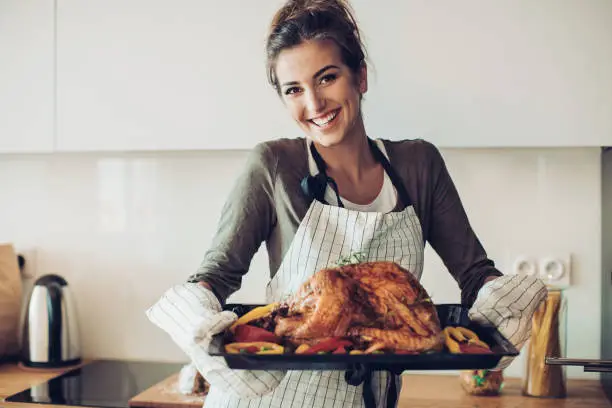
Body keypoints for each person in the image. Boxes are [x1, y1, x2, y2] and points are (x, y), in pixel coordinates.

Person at [146, 1, 547, 407]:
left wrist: (511, 300)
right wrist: (198, 324)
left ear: (361, 77)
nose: (315, 105)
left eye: (327, 78)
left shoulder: (418, 166)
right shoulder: (273, 166)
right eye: (294, 90)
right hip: (275, 400)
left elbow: (477, 275)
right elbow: (215, 276)